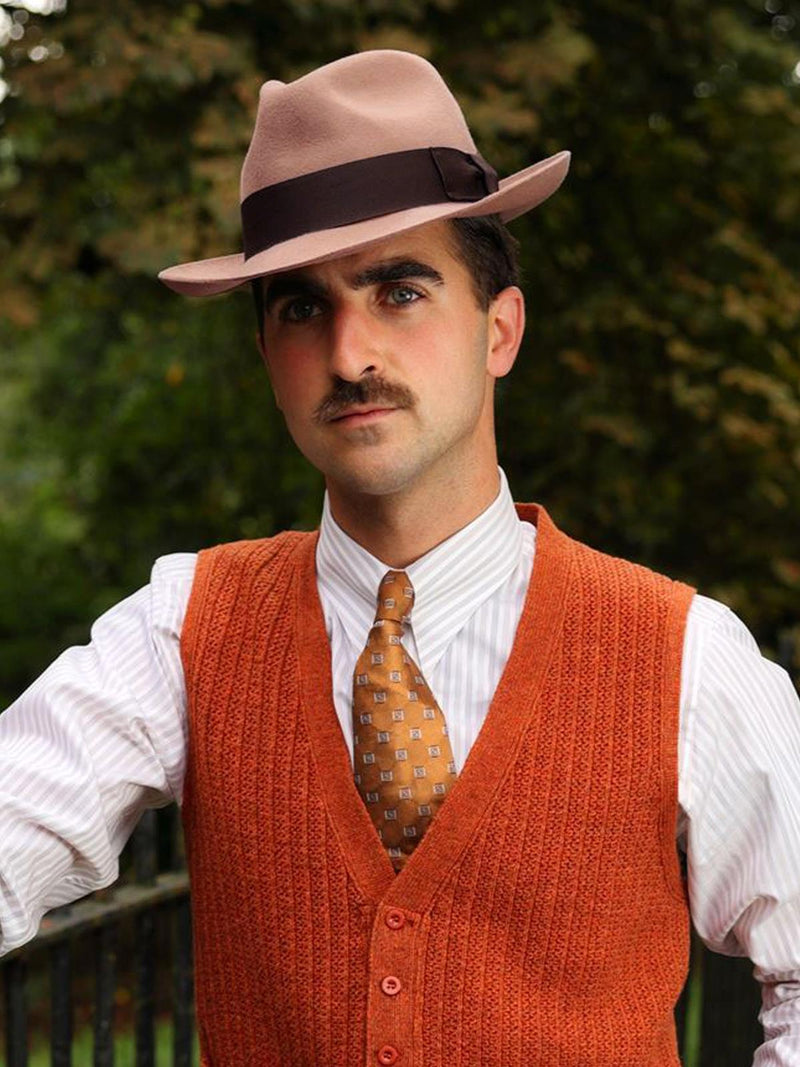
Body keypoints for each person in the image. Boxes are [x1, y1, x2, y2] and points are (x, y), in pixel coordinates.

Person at [1, 49, 799, 1067]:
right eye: (302, 307)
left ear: (499, 330)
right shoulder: (179, 629)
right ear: (267, 357)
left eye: (399, 291)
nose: (349, 355)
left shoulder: (682, 652)